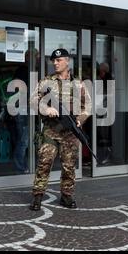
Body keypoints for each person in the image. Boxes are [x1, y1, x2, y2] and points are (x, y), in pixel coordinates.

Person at [29, 48, 91, 211]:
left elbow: (88, 106)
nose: (55, 63)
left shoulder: (78, 84)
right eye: (54, 61)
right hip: (51, 131)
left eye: (59, 60)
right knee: (44, 162)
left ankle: (66, 196)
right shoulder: (46, 82)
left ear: (67, 61)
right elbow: (33, 101)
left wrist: (80, 119)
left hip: (70, 133)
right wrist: (45, 109)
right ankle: (37, 196)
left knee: (69, 166)